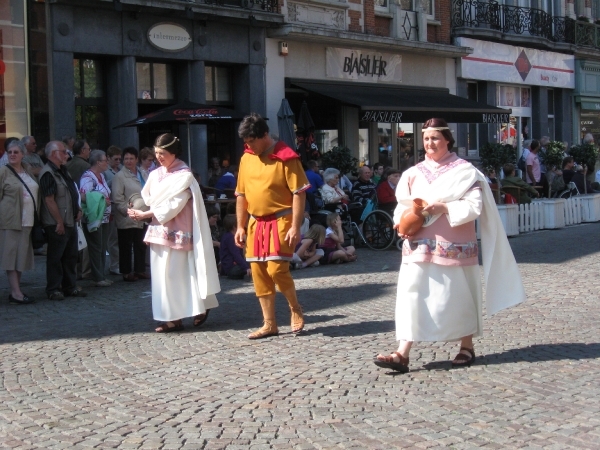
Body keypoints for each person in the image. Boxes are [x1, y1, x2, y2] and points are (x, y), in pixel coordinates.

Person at [374, 118, 525, 373]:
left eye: (435, 138)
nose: (430, 143)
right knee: (412, 295)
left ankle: (466, 346)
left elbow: (474, 207)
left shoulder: (465, 171)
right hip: (418, 244)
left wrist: (443, 207)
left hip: (453, 244)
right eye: (426, 139)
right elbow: (401, 205)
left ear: (447, 140)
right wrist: (401, 223)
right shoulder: (412, 173)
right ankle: (402, 352)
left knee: (458, 295)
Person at [128, 133, 219, 332]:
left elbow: (174, 205)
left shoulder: (185, 175)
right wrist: (137, 208)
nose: (159, 157)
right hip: (159, 228)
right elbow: (149, 197)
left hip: (179, 229)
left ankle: (199, 306)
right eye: (157, 153)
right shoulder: (154, 174)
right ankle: (172, 318)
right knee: (162, 276)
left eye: (163, 153)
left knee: (180, 274)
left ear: (173, 153)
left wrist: (145, 214)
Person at [234, 113, 309, 339]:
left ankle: (295, 309)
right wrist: (239, 226)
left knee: (277, 269)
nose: (249, 146)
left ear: (264, 135)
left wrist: (296, 226)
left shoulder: (286, 157)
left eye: (252, 141)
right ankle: (269, 324)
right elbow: (241, 195)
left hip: (281, 220)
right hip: (255, 223)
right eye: (246, 142)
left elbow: (299, 194)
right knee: (258, 273)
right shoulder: (246, 158)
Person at [39, 141, 86, 300]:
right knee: (56, 258)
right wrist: (59, 221)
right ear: (53, 154)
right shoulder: (48, 173)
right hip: (57, 223)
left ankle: (69, 286)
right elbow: (49, 200)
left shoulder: (63, 170)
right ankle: (53, 289)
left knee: (70, 256)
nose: (67, 155)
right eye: (63, 152)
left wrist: (78, 209)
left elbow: (72, 192)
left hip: (69, 220)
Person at [0, 140, 40, 304]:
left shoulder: (27, 171)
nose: (12, 155)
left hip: (28, 220)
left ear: (23, 154)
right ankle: (15, 292)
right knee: (11, 256)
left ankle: (16, 290)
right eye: (10, 152)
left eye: (16, 152)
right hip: (10, 220)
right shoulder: (3, 172)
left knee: (21, 257)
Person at [111, 146, 149, 282]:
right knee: (126, 246)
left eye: (131, 158)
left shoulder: (143, 173)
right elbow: (117, 198)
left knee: (140, 244)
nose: (128, 161)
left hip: (142, 214)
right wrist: (127, 211)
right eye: (126, 158)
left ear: (136, 159)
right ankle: (126, 272)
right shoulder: (119, 177)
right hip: (127, 215)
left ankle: (140, 270)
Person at [80, 150, 113, 287]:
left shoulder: (102, 176)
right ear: (98, 162)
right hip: (94, 218)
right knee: (96, 247)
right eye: (105, 160)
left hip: (104, 218)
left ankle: (101, 275)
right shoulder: (87, 177)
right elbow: (84, 196)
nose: (107, 162)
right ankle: (97, 277)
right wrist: (101, 200)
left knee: (102, 246)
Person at [104, 145, 122, 275]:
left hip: (121, 205)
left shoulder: (122, 169)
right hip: (111, 206)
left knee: (121, 238)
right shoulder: (105, 172)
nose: (118, 162)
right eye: (115, 159)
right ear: (108, 158)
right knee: (113, 238)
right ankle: (114, 264)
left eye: (119, 159)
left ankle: (121, 262)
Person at [219, 214, 250, 279]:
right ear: (234, 226)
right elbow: (236, 255)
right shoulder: (230, 238)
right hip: (232, 269)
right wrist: (246, 268)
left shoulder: (227, 236)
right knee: (254, 263)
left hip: (229, 268)